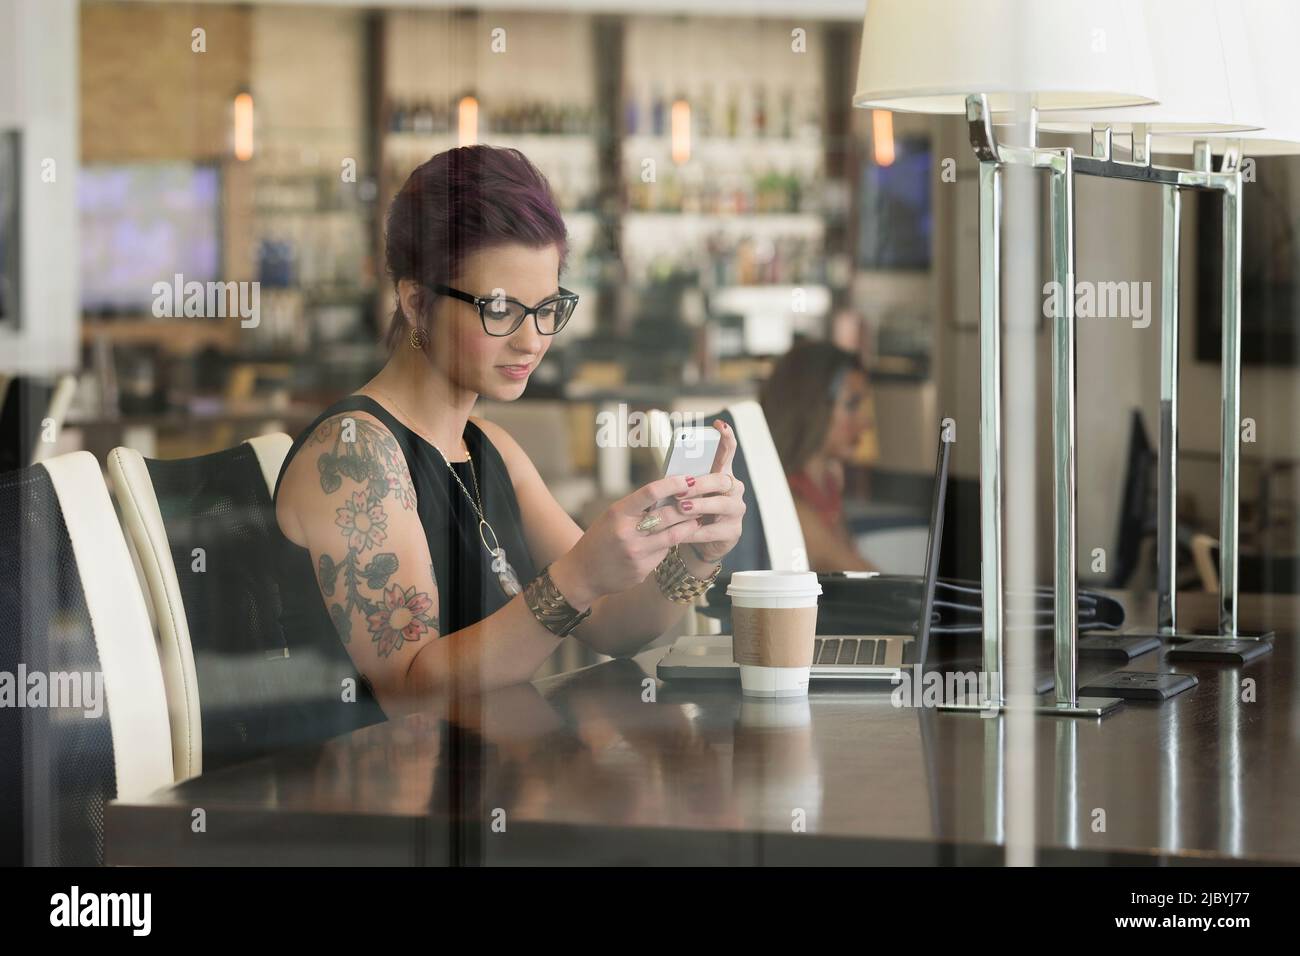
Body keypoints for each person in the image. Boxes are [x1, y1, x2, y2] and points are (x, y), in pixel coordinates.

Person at [273, 146, 745, 720]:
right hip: (375, 795)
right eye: (499, 309)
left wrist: (693, 556)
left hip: (487, 782)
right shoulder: (356, 457)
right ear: (417, 303)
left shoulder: (489, 447)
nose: (532, 342)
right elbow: (408, 689)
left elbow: (616, 627)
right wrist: (577, 578)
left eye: (547, 307)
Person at [760, 340, 876, 573]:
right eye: (852, 404)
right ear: (811, 406)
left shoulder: (826, 487)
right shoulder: (791, 505)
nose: (866, 423)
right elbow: (865, 579)